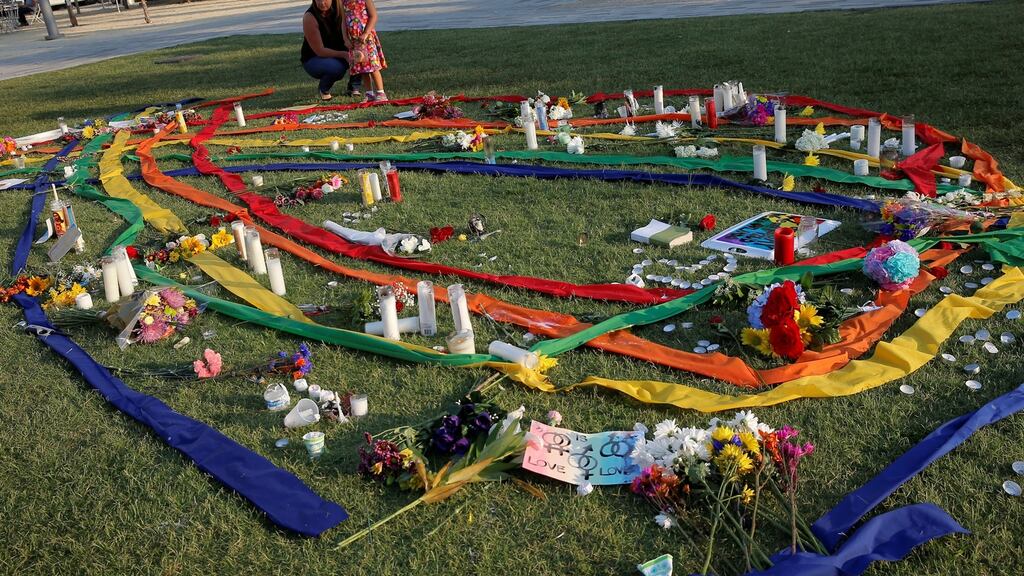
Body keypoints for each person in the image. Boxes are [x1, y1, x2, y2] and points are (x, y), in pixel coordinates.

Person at [301, 0, 363, 101]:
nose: (322, 3)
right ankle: (324, 89)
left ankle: (354, 87)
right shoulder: (309, 17)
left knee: (360, 54)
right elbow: (319, 50)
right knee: (336, 68)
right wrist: (345, 55)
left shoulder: (344, 9)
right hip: (315, 58)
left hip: (342, 53)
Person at [341, 0, 387, 102]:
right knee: (363, 67)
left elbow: (373, 16)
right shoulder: (343, 1)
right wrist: (345, 39)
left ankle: (380, 92)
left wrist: (366, 33)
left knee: (373, 66)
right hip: (354, 40)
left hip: (367, 39)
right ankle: (369, 93)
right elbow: (343, 21)